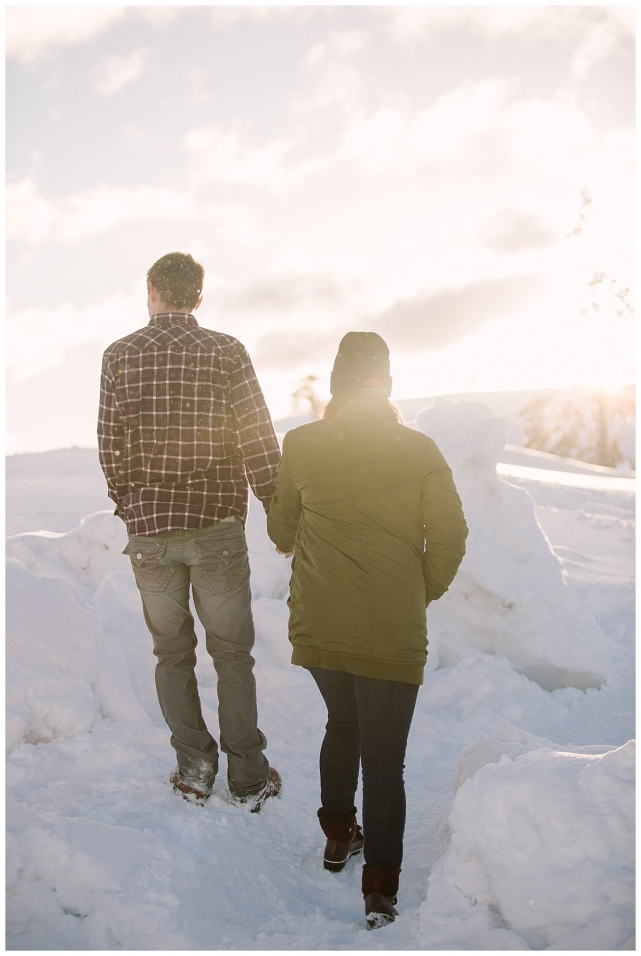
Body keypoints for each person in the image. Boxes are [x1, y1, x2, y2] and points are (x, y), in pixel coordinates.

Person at [267, 332, 468, 928]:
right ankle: (380, 887)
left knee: (342, 722)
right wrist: (417, 589)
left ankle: (337, 837)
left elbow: (282, 531)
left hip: (320, 621)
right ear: (385, 384)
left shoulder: (302, 443)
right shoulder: (419, 448)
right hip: (390, 628)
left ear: (336, 384)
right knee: (385, 762)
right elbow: (451, 535)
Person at [98, 251, 282, 811]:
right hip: (216, 526)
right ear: (198, 297)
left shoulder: (119, 355)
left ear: (151, 289)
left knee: (171, 653)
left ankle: (195, 769)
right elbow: (256, 435)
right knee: (232, 655)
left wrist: (131, 506)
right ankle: (248, 776)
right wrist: (275, 503)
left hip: (152, 531)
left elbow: (111, 446)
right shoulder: (227, 351)